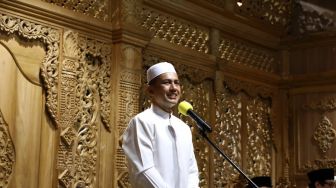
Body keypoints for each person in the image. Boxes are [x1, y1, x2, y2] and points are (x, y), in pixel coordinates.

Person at [122, 62, 199, 188]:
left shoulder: (183, 128)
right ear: (150, 90)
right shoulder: (142, 122)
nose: (174, 88)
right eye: (167, 82)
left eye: (177, 82)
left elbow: (191, 171)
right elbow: (144, 170)